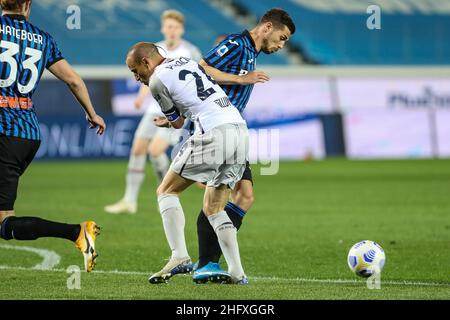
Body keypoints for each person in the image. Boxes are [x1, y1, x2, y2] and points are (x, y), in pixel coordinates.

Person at [125, 42, 249, 284]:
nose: (135, 76)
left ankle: (179, 255)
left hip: (213, 131)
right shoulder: (187, 62)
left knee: (166, 190)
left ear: (146, 63)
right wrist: (171, 121)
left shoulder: (156, 81)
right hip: (239, 131)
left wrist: (168, 121)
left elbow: (179, 122)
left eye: (134, 70)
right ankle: (237, 273)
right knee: (214, 207)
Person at [0, 0, 106, 272]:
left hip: (3, 133)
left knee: (3, 222)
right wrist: (92, 113)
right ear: (28, 4)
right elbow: (73, 80)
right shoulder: (42, 38)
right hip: (27, 134)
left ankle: (77, 232)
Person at [193, 8, 296, 283]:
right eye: (282, 37)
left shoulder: (252, 52)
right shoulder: (237, 44)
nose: (282, 45)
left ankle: (210, 257)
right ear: (267, 27)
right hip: (217, 131)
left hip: (232, 132)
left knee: (245, 195)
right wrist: (241, 79)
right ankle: (206, 262)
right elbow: (200, 69)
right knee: (216, 200)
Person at [105, 9, 201, 215]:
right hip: (153, 108)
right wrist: (141, 97)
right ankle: (129, 200)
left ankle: (167, 191)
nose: (171, 31)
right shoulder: (155, 50)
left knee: (155, 151)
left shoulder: (190, 51)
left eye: (175, 27)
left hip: (175, 111)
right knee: (138, 149)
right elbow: (147, 74)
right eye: (168, 26)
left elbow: (199, 76)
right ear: (163, 28)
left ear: (181, 29)